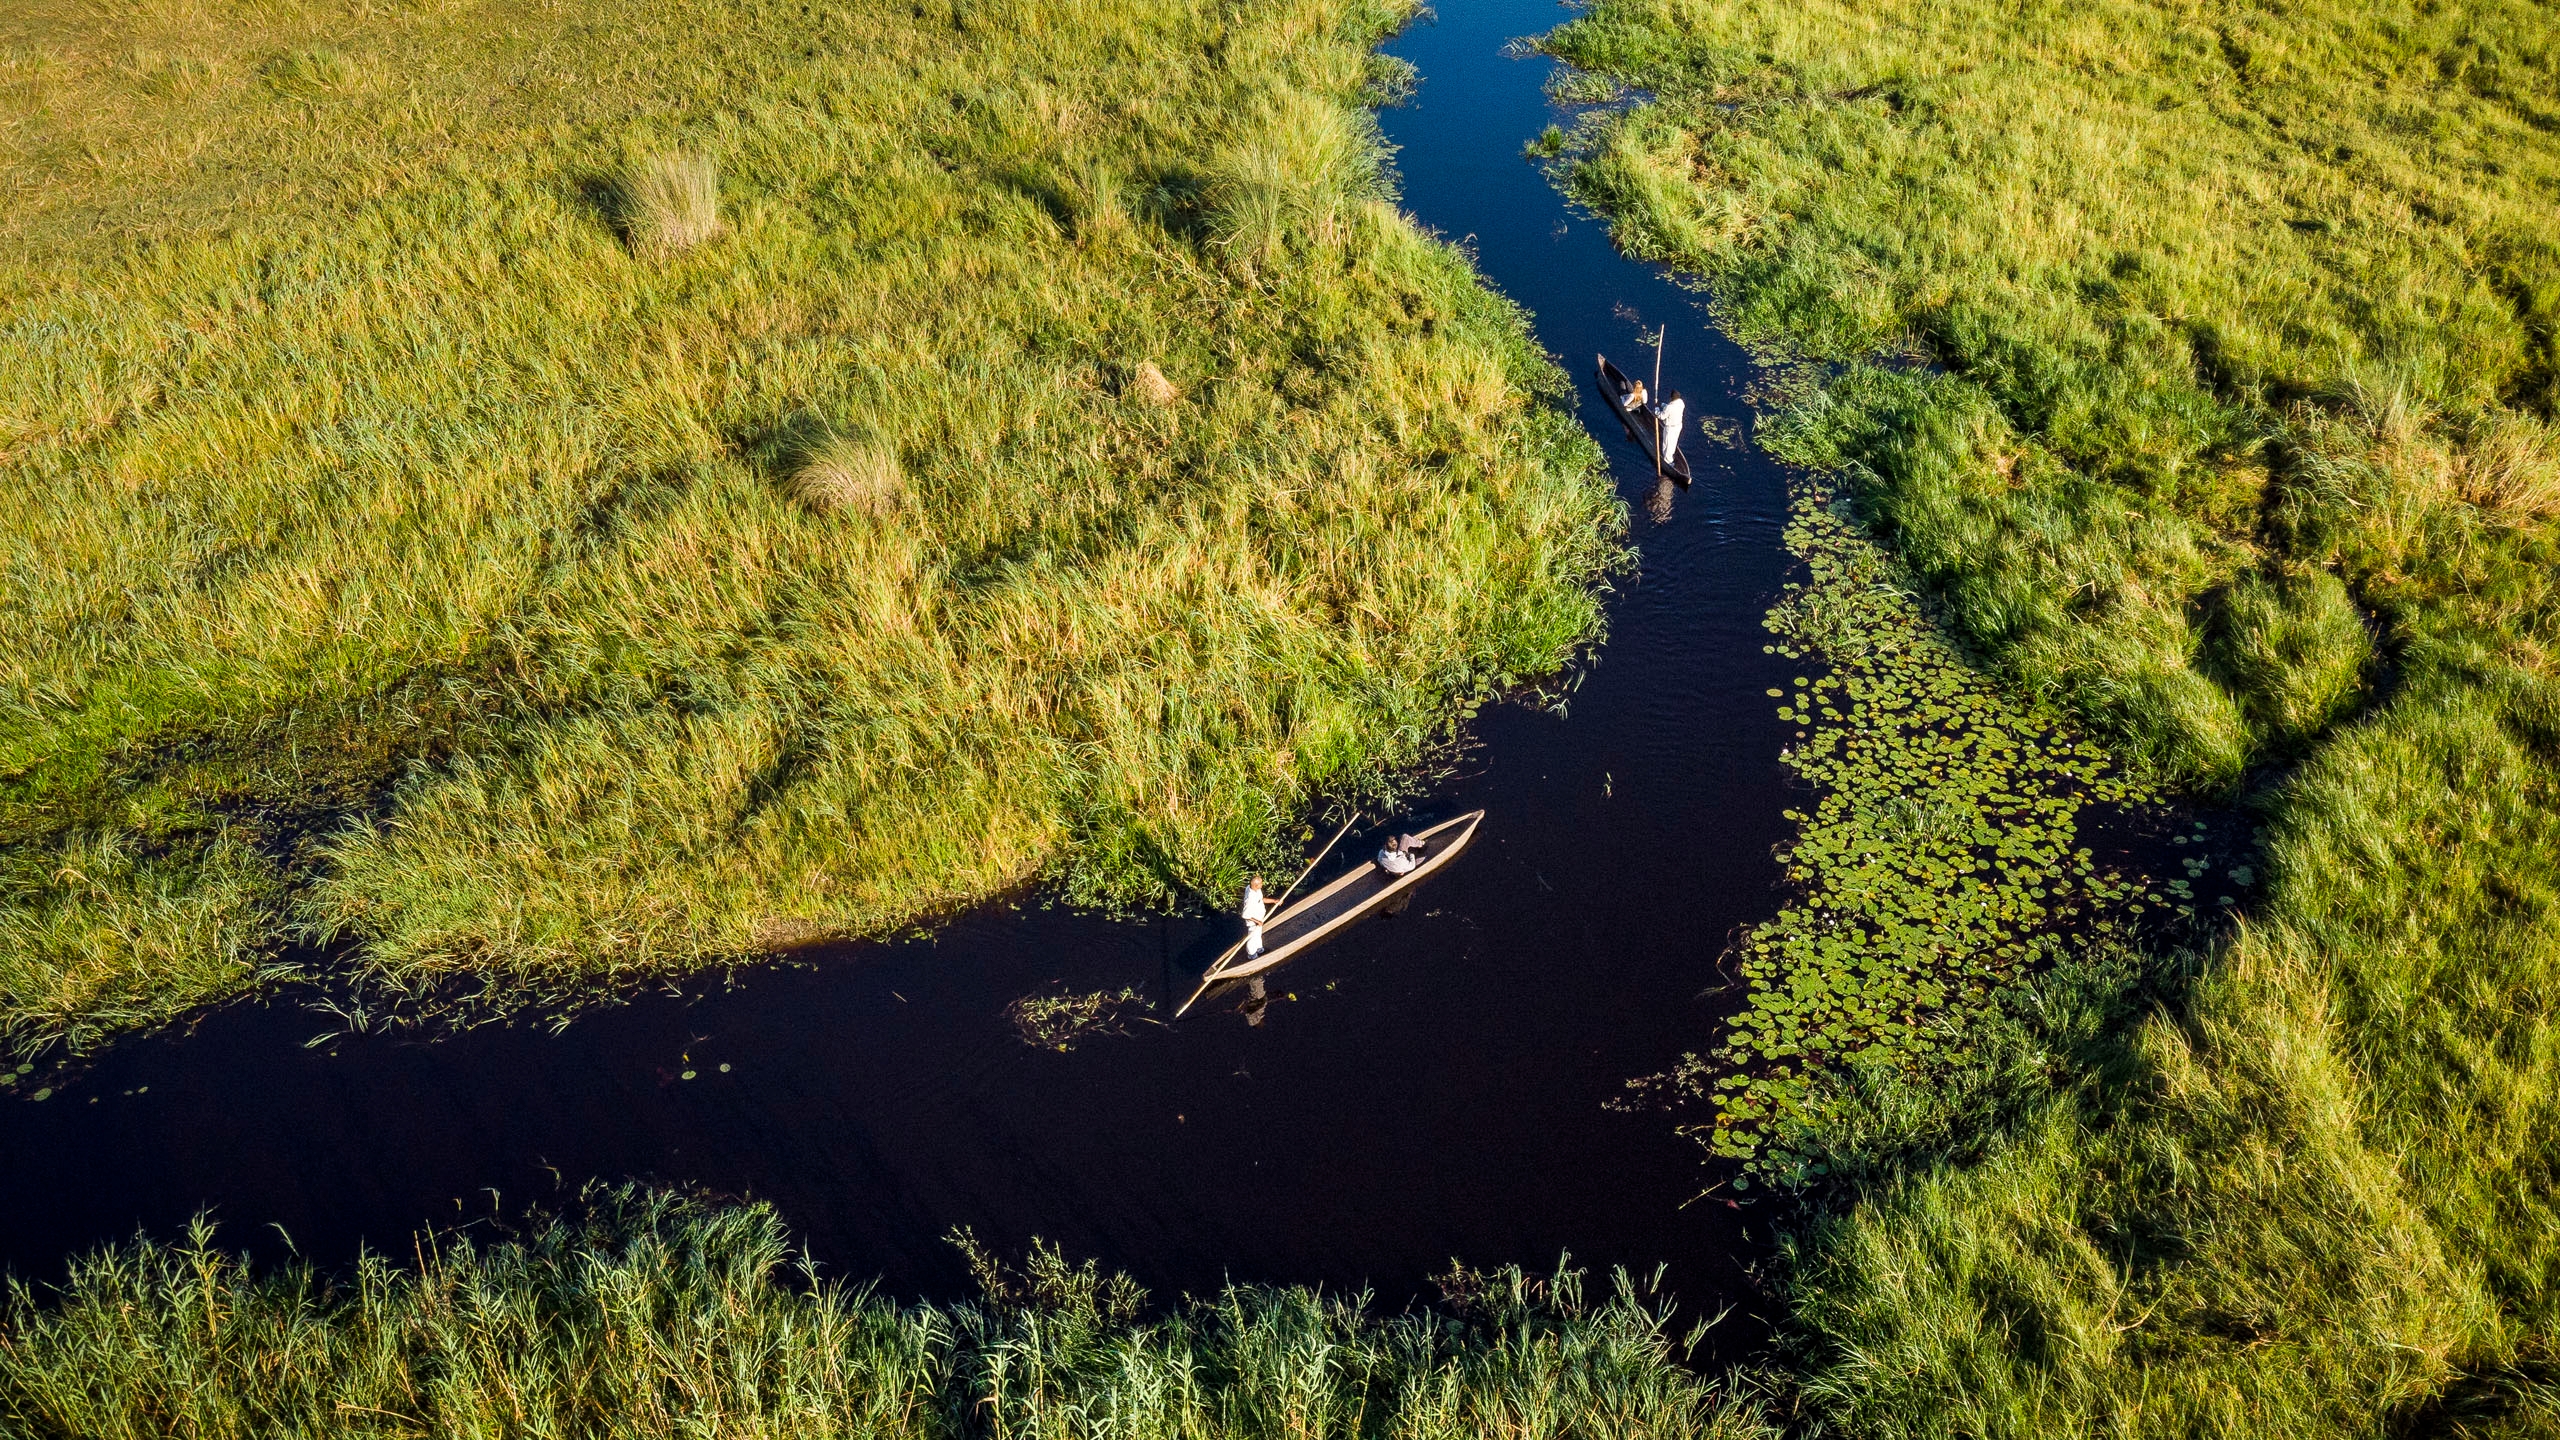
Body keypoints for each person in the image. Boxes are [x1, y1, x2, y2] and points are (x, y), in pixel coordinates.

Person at [1649, 389, 1686, 463]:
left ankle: (1667, 461)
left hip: (1670, 428)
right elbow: (1672, 409)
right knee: (1673, 442)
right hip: (1678, 426)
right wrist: (1664, 405)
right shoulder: (1681, 403)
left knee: (1667, 443)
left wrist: (1656, 409)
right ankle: (1670, 456)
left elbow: (1661, 416)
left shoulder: (1669, 407)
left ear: (1672, 398)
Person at [1240, 876, 1270, 956]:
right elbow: (1245, 915)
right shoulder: (1250, 899)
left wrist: (1274, 901)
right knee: (1252, 937)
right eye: (1260, 883)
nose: (1262, 884)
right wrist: (1257, 921)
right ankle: (1252, 954)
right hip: (1253, 921)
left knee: (1258, 934)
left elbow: (1260, 899)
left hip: (1259, 918)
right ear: (1255, 885)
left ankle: (1259, 948)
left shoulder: (1256, 889)